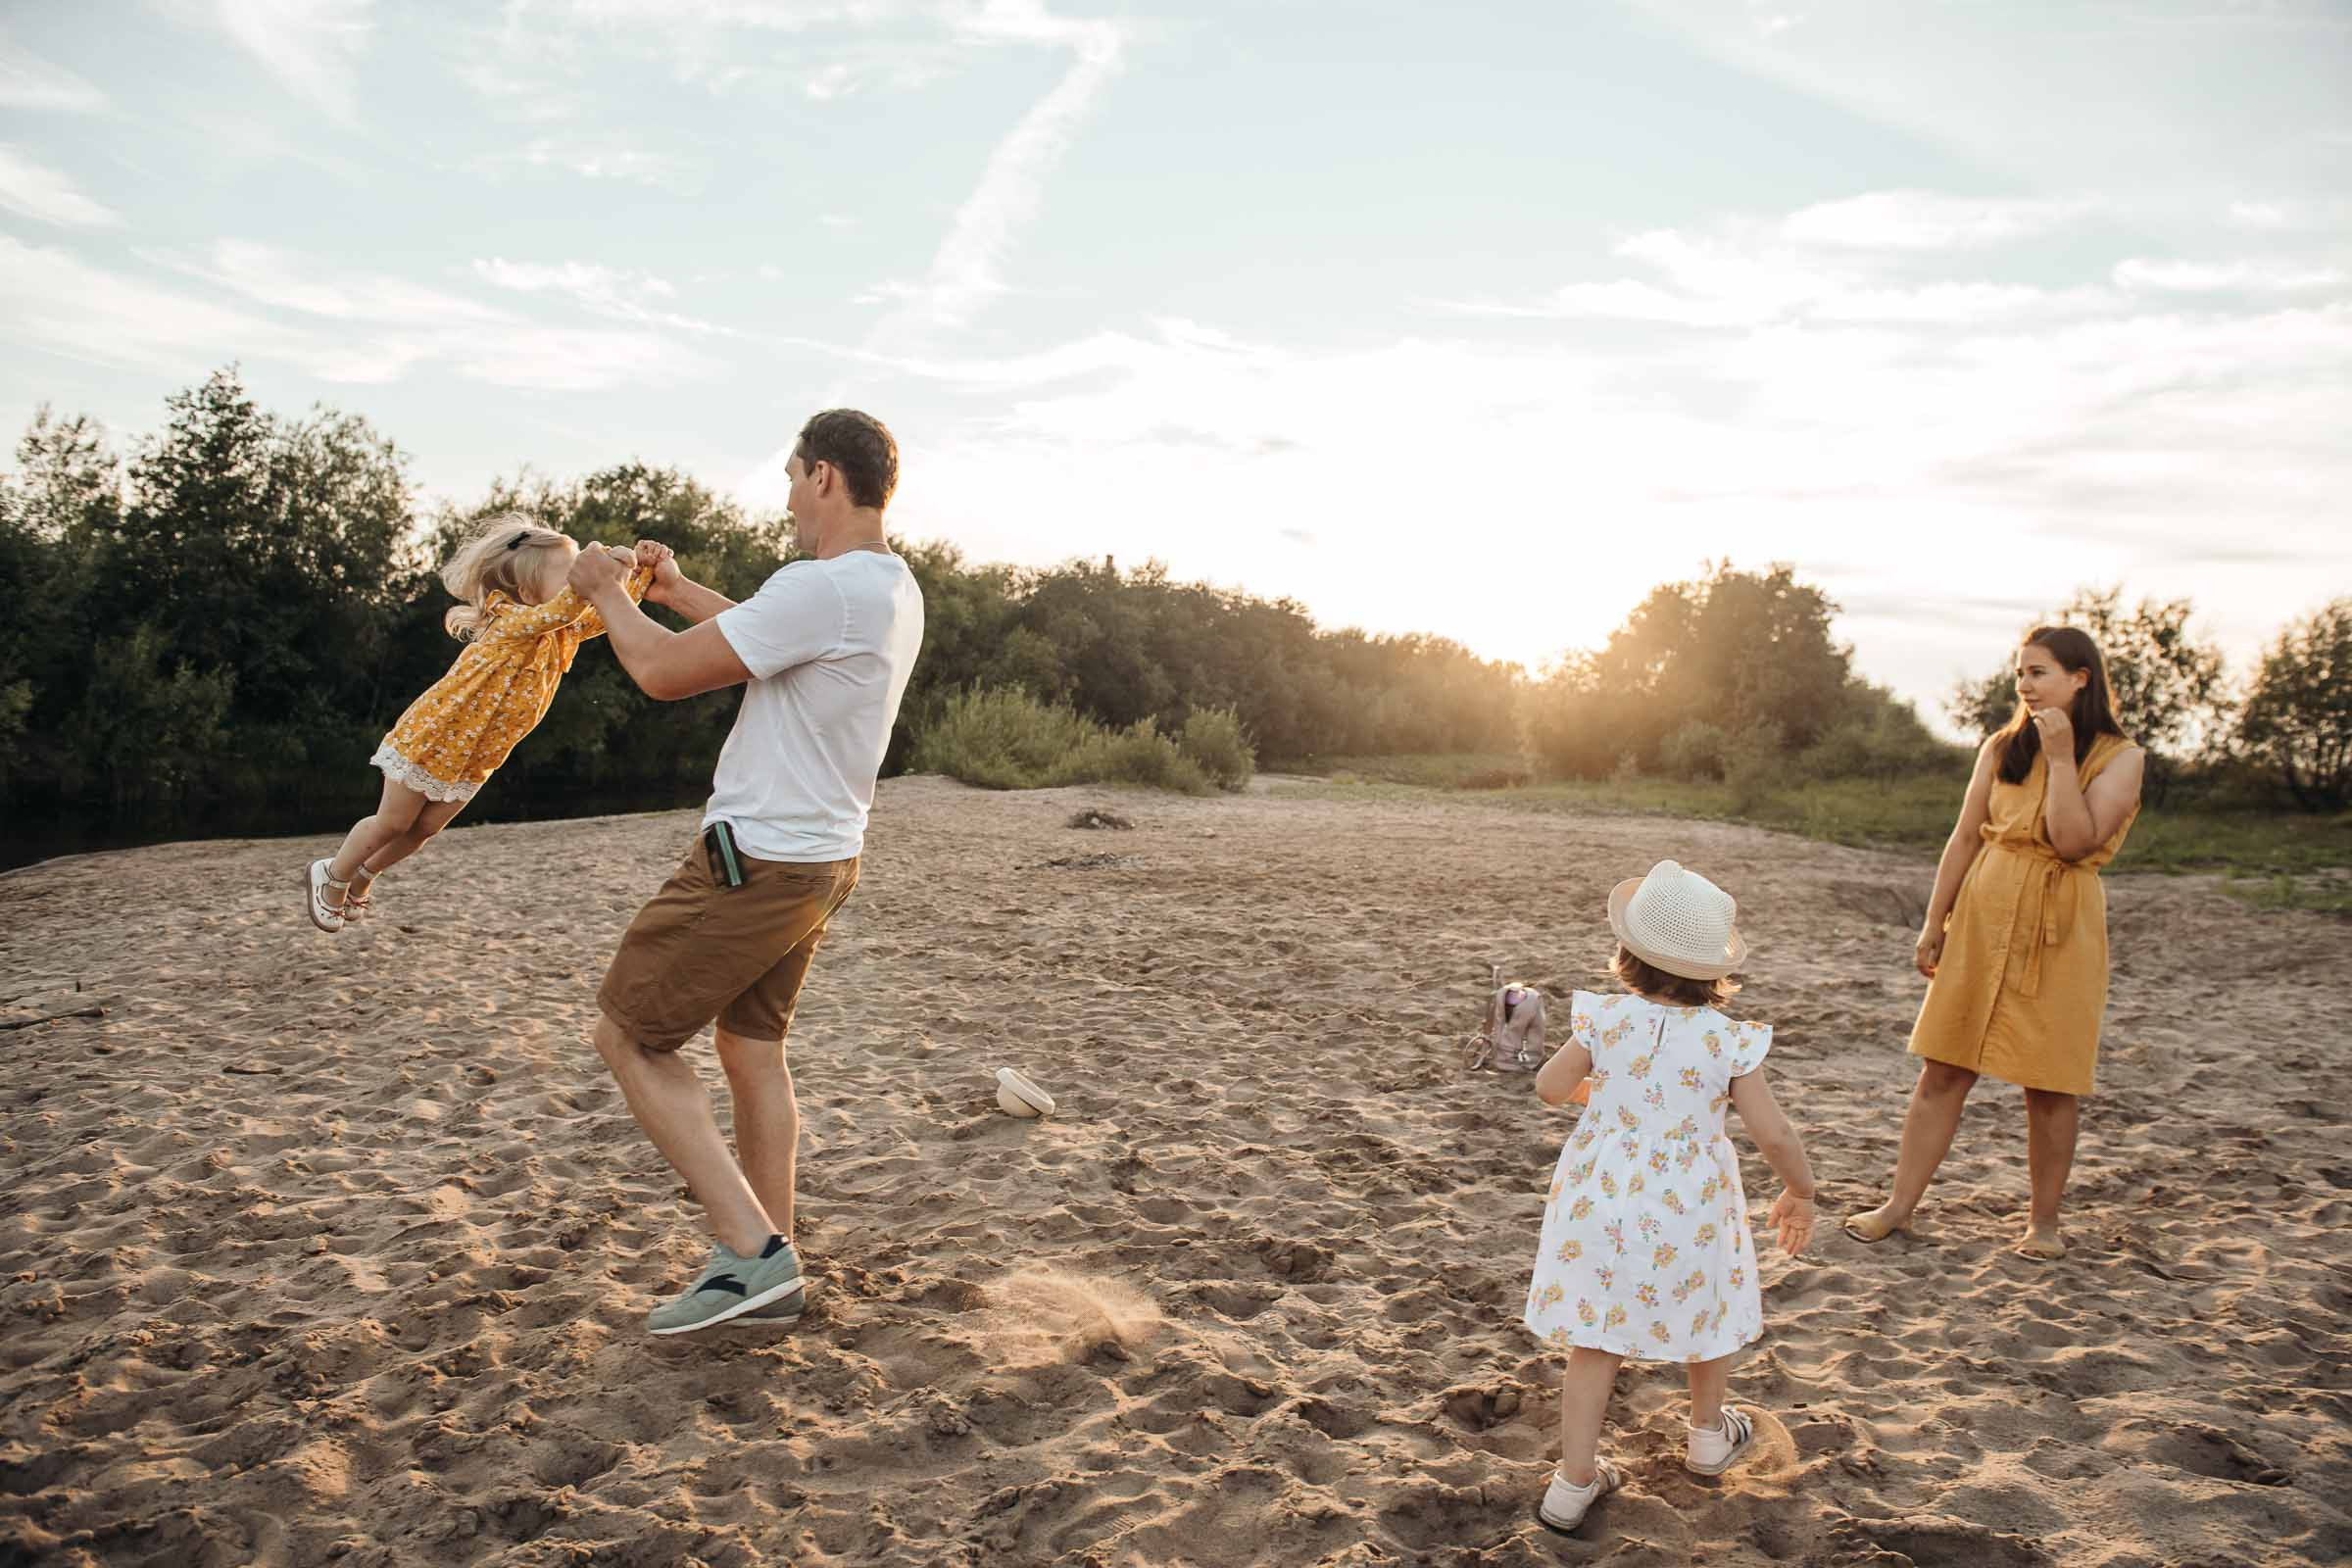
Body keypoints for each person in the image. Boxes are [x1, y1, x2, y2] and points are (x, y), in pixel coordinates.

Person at [564, 410, 924, 1335]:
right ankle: (773, 1255)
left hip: (755, 861)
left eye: (794, 478)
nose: (789, 499)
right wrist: (677, 588)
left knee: (629, 1037)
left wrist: (609, 592)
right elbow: (764, 643)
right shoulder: (884, 587)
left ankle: (750, 1259)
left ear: (824, 480)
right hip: (820, 861)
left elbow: (659, 673)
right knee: (751, 1051)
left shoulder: (825, 585)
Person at [1522, 859, 1815, 1535]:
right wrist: (1801, 1190)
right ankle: (1709, 1436)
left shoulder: (1605, 1019)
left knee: (1594, 1339)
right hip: (1689, 1203)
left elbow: (1547, 1086)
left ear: (1629, 953)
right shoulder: (1729, 1039)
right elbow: (1770, 1130)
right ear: (1713, 968)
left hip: (1601, 1198)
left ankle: (1572, 1485)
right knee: (1707, 1311)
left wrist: (1608, 1096)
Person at [1845, 626, 2143, 1260]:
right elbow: (1963, 839)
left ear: (2079, 678)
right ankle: (1897, 1207)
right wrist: (1935, 923)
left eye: (2038, 672)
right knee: (1943, 1066)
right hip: (1985, 910)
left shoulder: (2122, 758)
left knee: (2051, 1082)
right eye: (2021, 674)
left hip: (2061, 921)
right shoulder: (2002, 747)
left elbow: (2072, 841)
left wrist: (2061, 758)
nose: (2024, 686)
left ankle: (2043, 1224)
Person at [302, 518, 662, 932]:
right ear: (526, 593)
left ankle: (365, 874)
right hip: (436, 736)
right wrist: (608, 562)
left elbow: (607, 611)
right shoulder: (508, 620)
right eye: (571, 573)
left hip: (478, 750)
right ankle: (332, 874)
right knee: (394, 822)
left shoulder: (560, 630)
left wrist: (641, 571)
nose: (581, 577)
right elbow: (571, 605)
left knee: (424, 830)